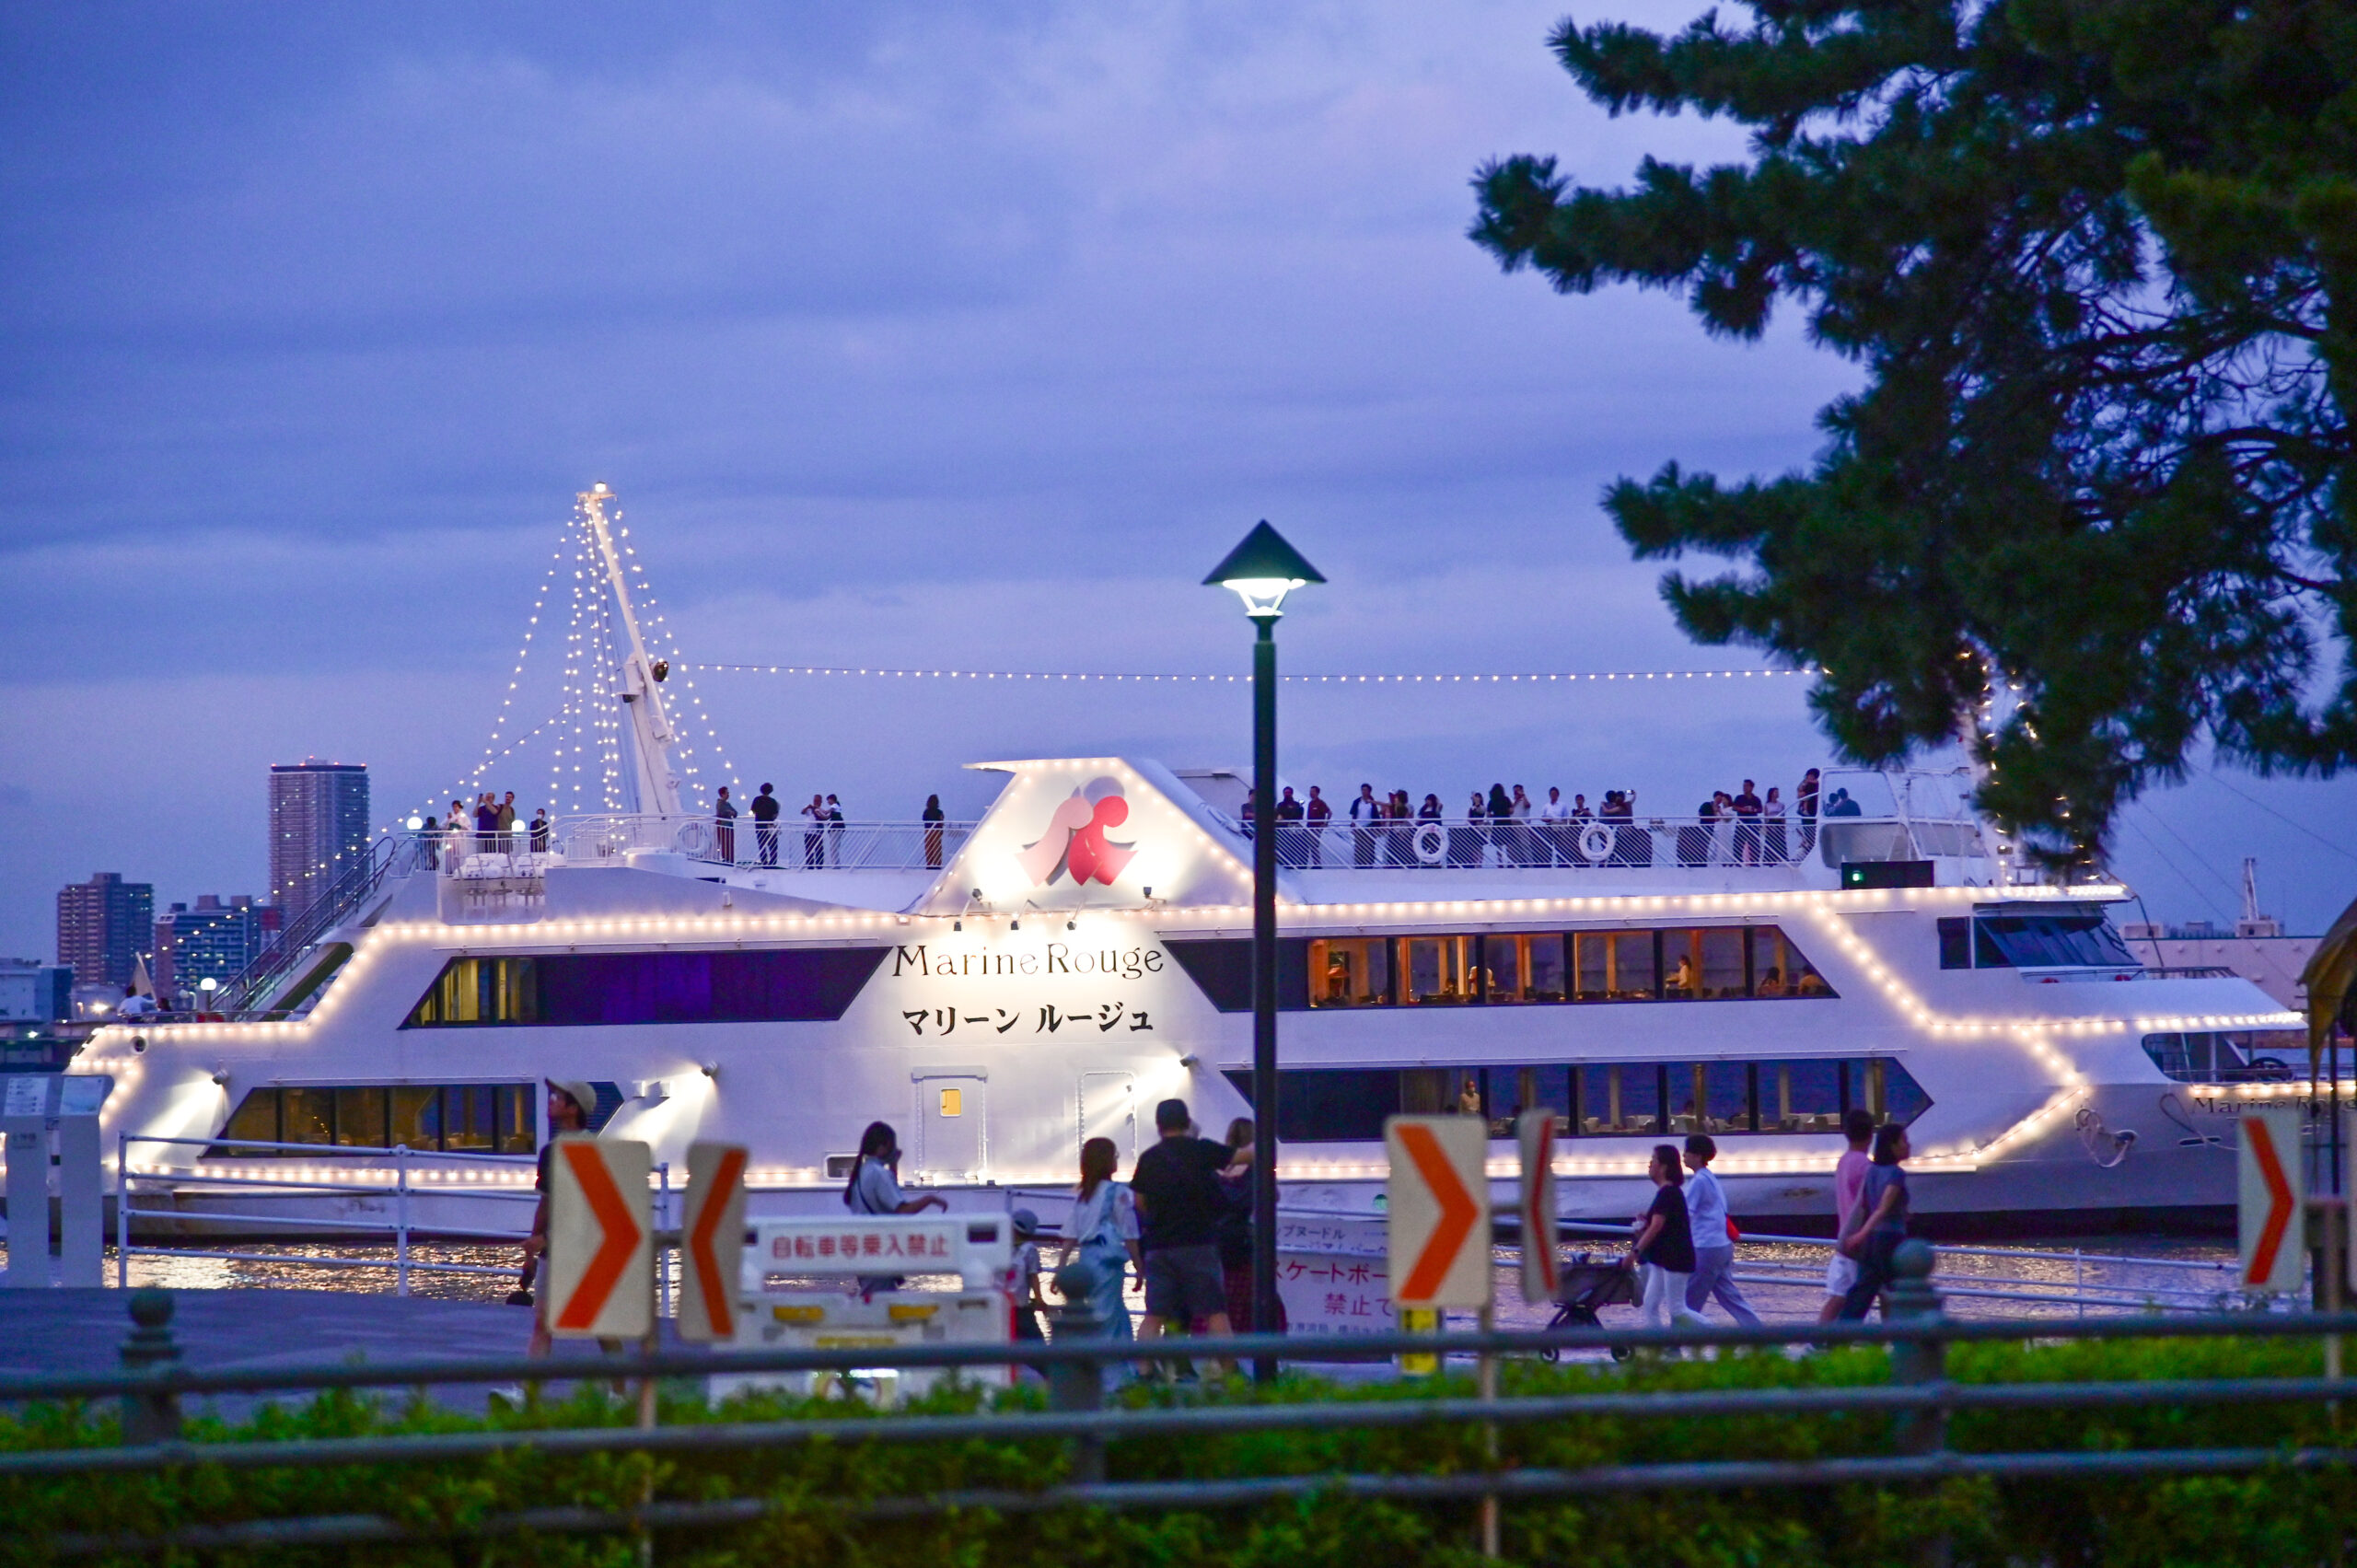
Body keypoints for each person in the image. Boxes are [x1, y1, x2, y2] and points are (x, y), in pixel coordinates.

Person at [1130, 1098, 1236, 1375]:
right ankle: (1229, 1370)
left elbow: (1140, 1202)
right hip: (1199, 1242)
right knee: (1214, 1311)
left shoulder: (1150, 1158)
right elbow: (1244, 1157)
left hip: (1160, 1245)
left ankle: (1144, 1370)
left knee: (1154, 1314)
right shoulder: (1202, 1151)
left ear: (1158, 1125)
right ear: (1188, 1122)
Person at [524, 1079, 597, 1352]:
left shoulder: (589, 1151)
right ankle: (529, 1392)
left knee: (600, 1323)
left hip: (579, 1247)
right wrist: (532, 1250)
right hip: (553, 1248)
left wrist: (543, 1239)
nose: (551, 1100)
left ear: (573, 1107)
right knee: (543, 1321)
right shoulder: (551, 1151)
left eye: (558, 1096)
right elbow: (546, 1202)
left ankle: (619, 1390)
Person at [844, 1120, 947, 1296]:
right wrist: (930, 1199)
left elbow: (885, 1196)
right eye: (892, 1145)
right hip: (879, 1253)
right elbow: (902, 1209)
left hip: (865, 1251)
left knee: (875, 1302)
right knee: (880, 1309)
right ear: (883, 1146)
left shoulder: (862, 1173)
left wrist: (893, 1165)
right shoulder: (878, 1174)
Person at [1059, 1136, 1143, 1342]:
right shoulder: (1118, 1193)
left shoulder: (1083, 1195)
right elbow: (1129, 1232)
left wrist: (1061, 1266)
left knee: (1101, 1308)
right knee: (1109, 1311)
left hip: (1087, 1257)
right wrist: (1139, 1266)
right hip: (1108, 1260)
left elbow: (1071, 1234)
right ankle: (1114, 1360)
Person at [1212, 1118, 1288, 1335]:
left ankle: (1219, 1350)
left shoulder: (1217, 1169)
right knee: (1257, 1297)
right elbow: (1274, 1196)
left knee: (1220, 1299)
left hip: (1218, 1244)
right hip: (1246, 1243)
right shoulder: (1258, 1169)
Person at [1681, 1134, 1761, 1327]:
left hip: (1706, 1247)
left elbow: (1686, 1215)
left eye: (1687, 1153)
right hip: (1722, 1246)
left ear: (1697, 1156)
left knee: (1687, 1304)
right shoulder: (1710, 1178)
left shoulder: (1698, 1182)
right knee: (1730, 1297)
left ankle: (1674, 1345)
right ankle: (1759, 1333)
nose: (1683, 1156)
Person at [1838, 1123, 1912, 1320]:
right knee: (1902, 1292)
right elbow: (1883, 1208)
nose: (1908, 1145)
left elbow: (1866, 1205)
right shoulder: (1896, 1173)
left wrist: (1863, 1234)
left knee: (1861, 1293)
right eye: (1903, 1140)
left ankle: (1838, 1339)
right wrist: (1861, 1234)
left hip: (1872, 1242)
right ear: (1892, 1145)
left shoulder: (1872, 1171)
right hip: (1891, 1240)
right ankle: (1907, 1342)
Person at [1628, 1144, 1704, 1333]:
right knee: (1650, 1303)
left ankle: (1721, 1337)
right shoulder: (1667, 1194)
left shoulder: (1669, 1193)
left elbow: (1657, 1226)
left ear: (1663, 1167)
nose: (1649, 1165)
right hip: (1663, 1259)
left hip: (1675, 1259)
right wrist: (1645, 1224)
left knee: (1677, 1309)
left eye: (1653, 1160)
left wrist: (1635, 1252)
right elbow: (1658, 1224)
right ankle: (1661, 1349)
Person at [1819, 1109, 1878, 1323]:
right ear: (1871, 1134)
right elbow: (1870, 1204)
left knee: (1837, 1298)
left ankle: (1817, 1345)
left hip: (1844, 1239)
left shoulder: (1844, 1161)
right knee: (1864, 1300)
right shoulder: (1866, 1166)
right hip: (1859, 1241)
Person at [1008, 1208, 1049, 1365]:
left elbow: (1033, 1276)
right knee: (1035, 1345)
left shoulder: (1003, 1246)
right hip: (1020, 1306)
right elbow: (1033, 1276)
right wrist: (1039, 1298)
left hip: (1007, 1305)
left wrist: (1038, 1298)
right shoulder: (1029, 1250)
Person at [1272, 786, 1306, 867]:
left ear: (1292, 793)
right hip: (1283, 830)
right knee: (1283, 847)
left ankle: (1293, 864)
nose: (1287, 794)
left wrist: (1288, 816)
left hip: (1294, 830)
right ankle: (1283, 863)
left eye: (1288, 792)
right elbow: (1279, 816)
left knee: (1294, 847)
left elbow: (1298, 815)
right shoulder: (1280, 805)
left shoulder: (1297, 805)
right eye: (1285, 792)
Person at [749, 783, 781, 866]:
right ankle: (773, 862)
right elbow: (775, 814)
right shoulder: (773, 802)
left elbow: (753, 810)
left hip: (759, 825)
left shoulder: (757, 800)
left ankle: (764, 861)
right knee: (772, 844)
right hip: (769, 825)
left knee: (762, 844)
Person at [1731, 780, 1763, 865]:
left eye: (1746, 786)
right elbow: (1733, 807)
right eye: (1744, 786)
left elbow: (1760, 809)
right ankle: (1737, 862)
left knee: (1754, 843)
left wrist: (1753, 809)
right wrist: (1742, 809)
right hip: (1741, 822)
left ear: (1751, 787)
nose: (1744, 788)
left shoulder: (1756, 799)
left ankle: (1755, 862)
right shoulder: (1739, 798)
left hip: (1753, 823)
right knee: (1738, 842)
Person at [1349, 784, 1381, 867]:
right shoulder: (1357, 802)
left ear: (1369, 791)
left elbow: (1376, 815)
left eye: (1365, 790)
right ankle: (1359, 864)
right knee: (1359, 847)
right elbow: (1353, 814)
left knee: (1369, 847)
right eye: (1362, 790)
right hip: (1359, 827)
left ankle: (1370, 864)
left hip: (1369, 827)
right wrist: (1353, 824)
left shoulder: (1372, 802)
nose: (1363, 792)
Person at [1797, 767, 1822, 855]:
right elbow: (1800, 793)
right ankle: (1811, 850)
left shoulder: (1817, 785)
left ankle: (1814, 850)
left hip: (1813, 810)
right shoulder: (1805, 784)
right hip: (1805, 811)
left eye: (1811, 775)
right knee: (1808, 831)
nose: (1809, 777)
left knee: (1814, 831)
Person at [1304, 784, 1330, 867]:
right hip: (1310, 827)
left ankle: (1317, 864)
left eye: (1313, 791)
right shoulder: (1311, 803)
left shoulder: (1321, 803)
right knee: (1309, 845)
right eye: (1310, 791)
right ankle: (1312, 863)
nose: (1311, 793)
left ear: (1317, 793)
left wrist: (1325, 823)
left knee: (1314, 844)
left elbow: (1329, 812)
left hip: (1316, 827)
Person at [1762, 786, 1786, 865]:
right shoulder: (1767, 805)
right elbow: (1765, 817)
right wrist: (1766, 827)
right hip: (1771, 823)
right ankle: (1769, 860)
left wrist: (1784, 826)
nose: (1777, 793)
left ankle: (1782, 858)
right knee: (1771, 841)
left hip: (1779, 823)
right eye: (1776, 792)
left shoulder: (1781, 804)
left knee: (1780, 841)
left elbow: (1783, 816)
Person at [800, 794, 826, 867]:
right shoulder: (809, 809)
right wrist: (808, 807)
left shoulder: (821, 809)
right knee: (809, 849)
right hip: (808, 832)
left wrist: (817, 809)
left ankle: (819, 865)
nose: (816, 802)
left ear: (821, 802)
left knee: (819, 849)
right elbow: (802, 812)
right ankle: (810, 865)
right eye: (815, 801)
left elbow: (824, 817)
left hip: (818, 833)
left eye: (817, 801)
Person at [714, 786, 737, 864]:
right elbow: (721, 813)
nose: (728, 794)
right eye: (727, 793)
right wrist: (729, 812)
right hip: (723, 825)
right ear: (722, 794)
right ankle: (726, 858)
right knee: (725, 842)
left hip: (729, 826)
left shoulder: (728, 804)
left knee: (730, 842)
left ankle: (731, 858)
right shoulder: (720, 804)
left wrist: (731, 812)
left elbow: (735, 813)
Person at [922, 793, 946, 869]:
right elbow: (941, 821)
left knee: (929, 848)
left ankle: (929, 864)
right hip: (936, 831)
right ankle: (937, 864)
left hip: (928, 831)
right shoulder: (939, 812)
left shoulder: (926, 812)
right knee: (937, 848)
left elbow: (924, 820)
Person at [825, 794, 846, 865]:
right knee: (834, 846)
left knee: (834, 847)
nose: (828, 802)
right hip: (836, 828)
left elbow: (826, 812)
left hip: (836, 828)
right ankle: (835, 863)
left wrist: (818, 809)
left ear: (832, 799)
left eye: (828, 800)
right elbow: (826, 817)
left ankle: (835, 864)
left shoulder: (834, 806)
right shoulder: (836, 807)